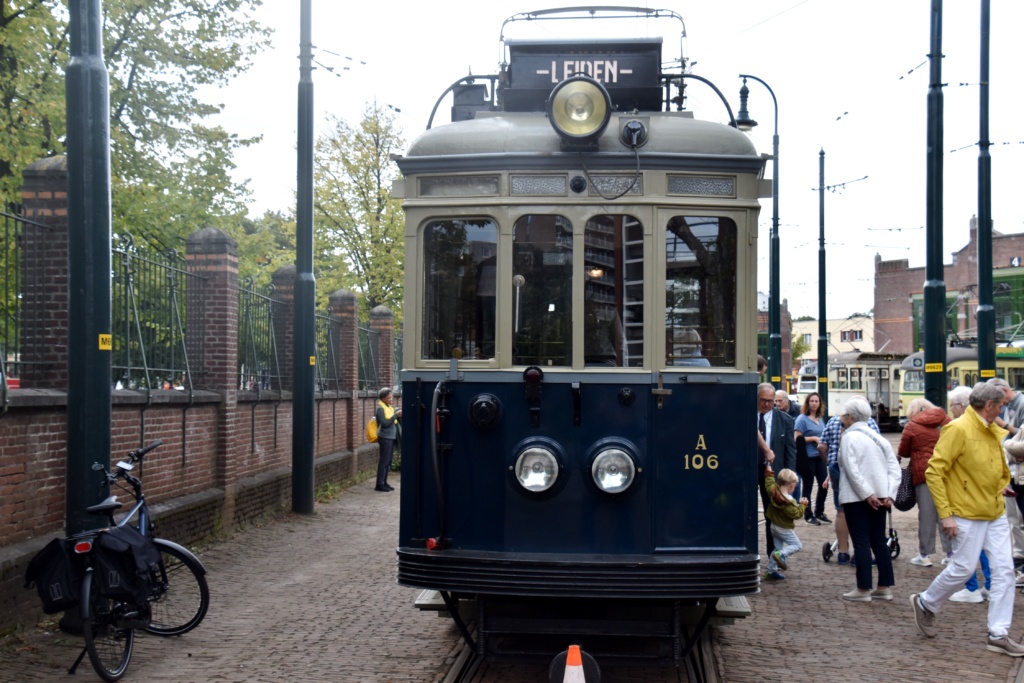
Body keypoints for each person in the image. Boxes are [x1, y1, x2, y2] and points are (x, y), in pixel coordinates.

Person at [910, 382, 1024, 657]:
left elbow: (993, 465)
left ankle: (998, 633)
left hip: (993, 508)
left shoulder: (987, 429)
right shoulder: (958, 429)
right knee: (962, 568)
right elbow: (935, 472)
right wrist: (947, 515)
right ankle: (926, 602)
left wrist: (1001, 484)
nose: (1002, 411)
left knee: (1005, 571)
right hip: (966, 511)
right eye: (999, 406)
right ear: (989, 406)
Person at [837, 396, 901, 601]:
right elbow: (894, 467)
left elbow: (851, 468)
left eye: (844, 415)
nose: (842, 419)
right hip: (882, 496)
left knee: (862, 541)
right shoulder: (880, 439)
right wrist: (889, 494)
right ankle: (884, 586)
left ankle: (863, 588)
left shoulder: (849, 437)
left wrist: (866, 494)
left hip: (857, 497)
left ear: (850, 417)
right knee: (878, 540)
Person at [818, 402, 882, 565]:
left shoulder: (832, 421)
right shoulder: (870, 423)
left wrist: (829, 463)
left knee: (841, 511)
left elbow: (821, 446)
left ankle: (842, 552)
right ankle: (861, 553)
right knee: (863, 510)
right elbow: (877, 447)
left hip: (836, 467)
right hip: (863, 469)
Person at [898, 397, 952, 568]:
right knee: (946, 513)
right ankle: (951, 553)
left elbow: (904, 452)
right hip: (947, 474)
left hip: (924, 474)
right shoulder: (947, 421)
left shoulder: (911, 426)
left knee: (927, 515)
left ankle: (925, 555)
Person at [757, 382, 797, 569]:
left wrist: (789, 479)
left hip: (773, 473)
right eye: (763, 401)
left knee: (773, 516)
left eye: (770, 401)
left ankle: (773, 559)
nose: (767, 405)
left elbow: (790, 450)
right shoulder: (747, 417)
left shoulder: (786, 420)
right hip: (750, 472)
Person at [763, 466, 807, 580]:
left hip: (773, 526)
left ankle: (771, 571)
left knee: (776, 548)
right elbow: (797, 514)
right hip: (784, 529)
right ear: (792, 485)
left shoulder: (773, 491)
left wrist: (769, 472)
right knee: (797, 545)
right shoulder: (788, 502)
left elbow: (769, 483)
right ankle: (781, 555)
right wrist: (803, 505)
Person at [794, 392, 830, 526]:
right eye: (812, 401)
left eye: (816, 401)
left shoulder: (820, 419)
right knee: (807, 486)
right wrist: (814, 439)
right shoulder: (802, 419)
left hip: (820, 457)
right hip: (808, 457)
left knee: (824, 484)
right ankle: (808, 514)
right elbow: (796, 438)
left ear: (820, 403)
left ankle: (819, 511)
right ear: (807, 403)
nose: (814, 403)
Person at [373, 387, 402, 492]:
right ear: (383, 398)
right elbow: (385, 423)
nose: (391, 399)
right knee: (384, 461)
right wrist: (395, 415)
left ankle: (384, 482)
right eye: (389, 398)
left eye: (391, 397)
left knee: (389, 461)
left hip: (390, 437)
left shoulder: (388, 407)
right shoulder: (380, 409)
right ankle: (379, 484)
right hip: (385, 437)